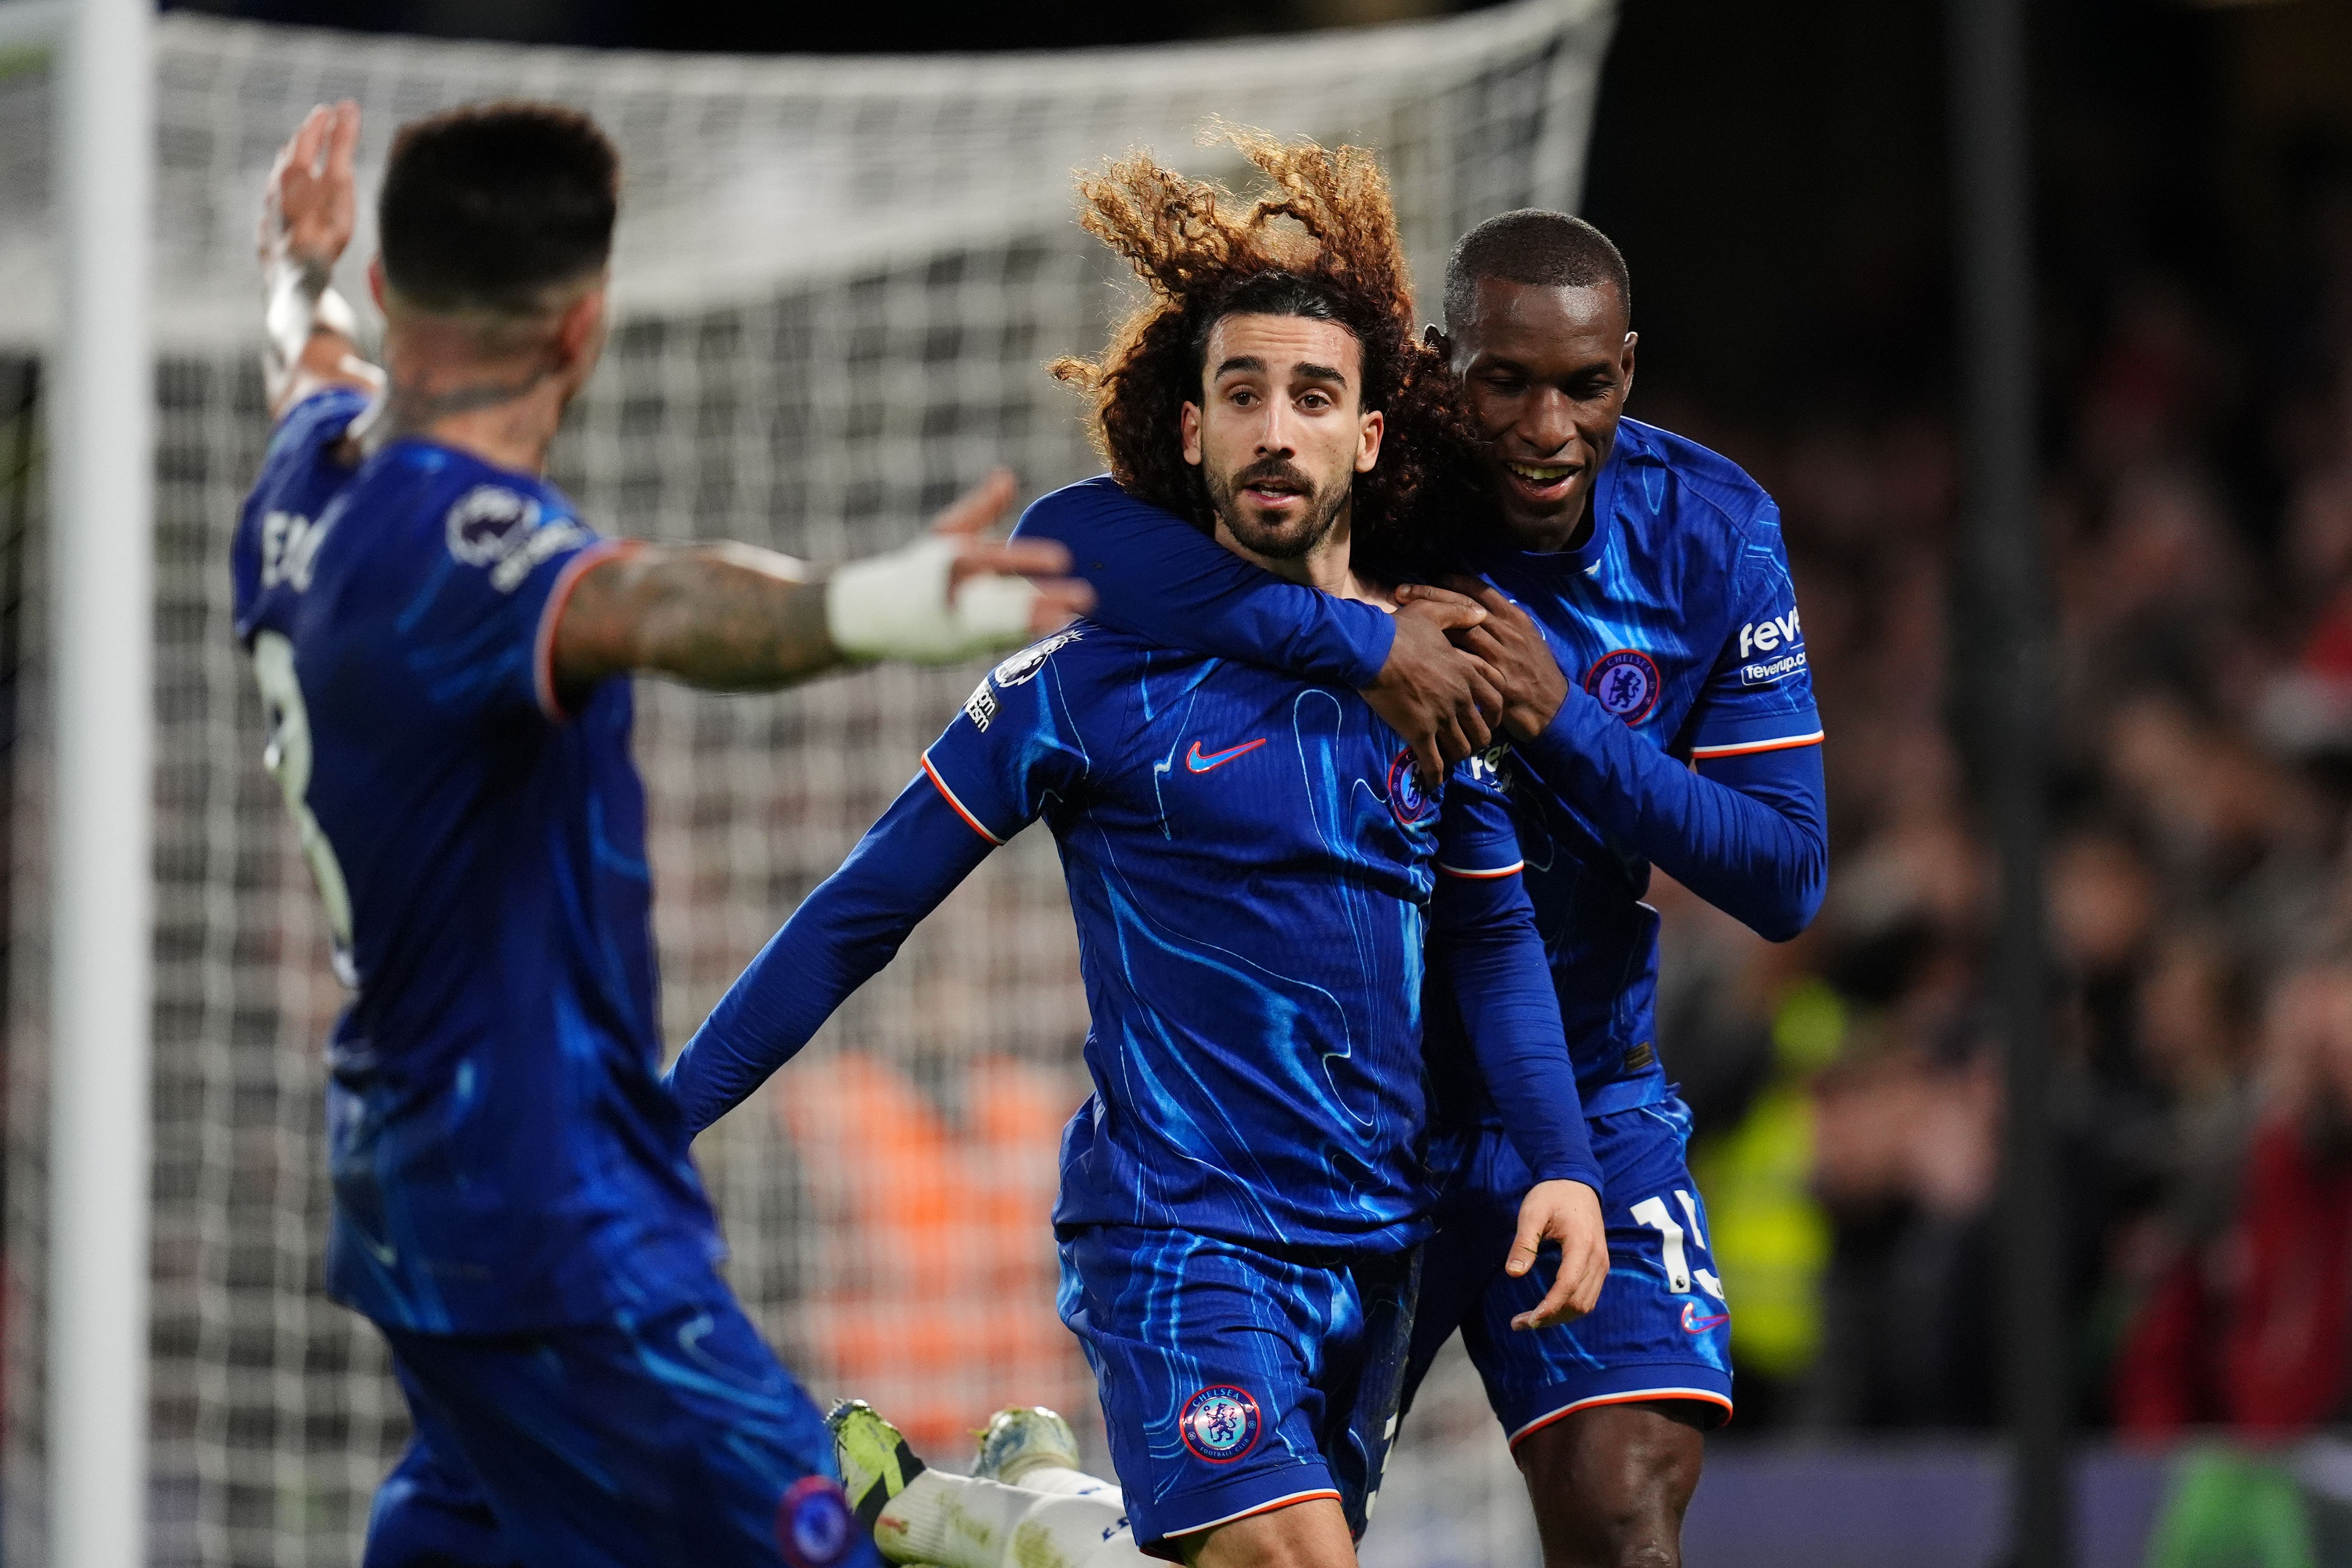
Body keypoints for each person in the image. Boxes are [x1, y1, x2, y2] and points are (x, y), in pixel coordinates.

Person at [667, 134, 1610, 1568]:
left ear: (1368, 435)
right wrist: (663, 1117)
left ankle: (1003, 1522)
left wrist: (1564, 1159)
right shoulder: (1087, 686)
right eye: (1243, 396)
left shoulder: (1439, 683)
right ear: (1188, 430)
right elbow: (861, 912)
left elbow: (1491, 941)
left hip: (1377, 1246)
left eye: (1313, 397)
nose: (1276, 430)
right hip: (1180, 1231)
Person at [236, 100, 1087, 1568]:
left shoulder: (310, 473)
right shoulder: (481, 548)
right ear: (584, 327)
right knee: (818, 1543)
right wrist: (868, 605)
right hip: (557, 1207)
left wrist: (295, 265)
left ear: (390, 289)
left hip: (403, 1189)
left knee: (464, 1530)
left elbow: (301, 356)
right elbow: (663, 606)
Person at [1012, 208, 1831, 1568]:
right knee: (1262, 1544)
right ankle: (1058, 1540)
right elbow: (1076, 540)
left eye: (1586, 386)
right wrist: (1355, 638)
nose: (1547, 427)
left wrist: (1563, 720)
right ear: (1443, 372)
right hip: (1337, 1128)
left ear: (1628, 368)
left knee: (1627, 1501)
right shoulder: (1375, 489)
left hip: (1580, 1093)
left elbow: (1785, 871)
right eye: (1505, 382)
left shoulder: (1713, 531)